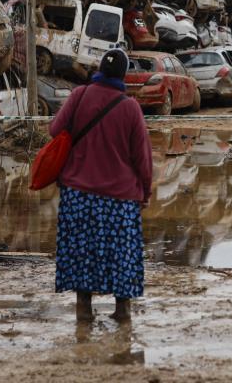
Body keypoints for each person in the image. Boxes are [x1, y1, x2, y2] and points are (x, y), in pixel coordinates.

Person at [49, 49, 152, 323]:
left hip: (78, 195)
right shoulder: (130, 108)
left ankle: (84, 310)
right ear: (123, 75)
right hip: (120, 199)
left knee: (82, 254)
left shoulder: (79, 95)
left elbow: (53, 130)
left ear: (99, 70)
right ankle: (122, 310)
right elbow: (142, 157)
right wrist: (146, 190)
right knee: (121, 257)